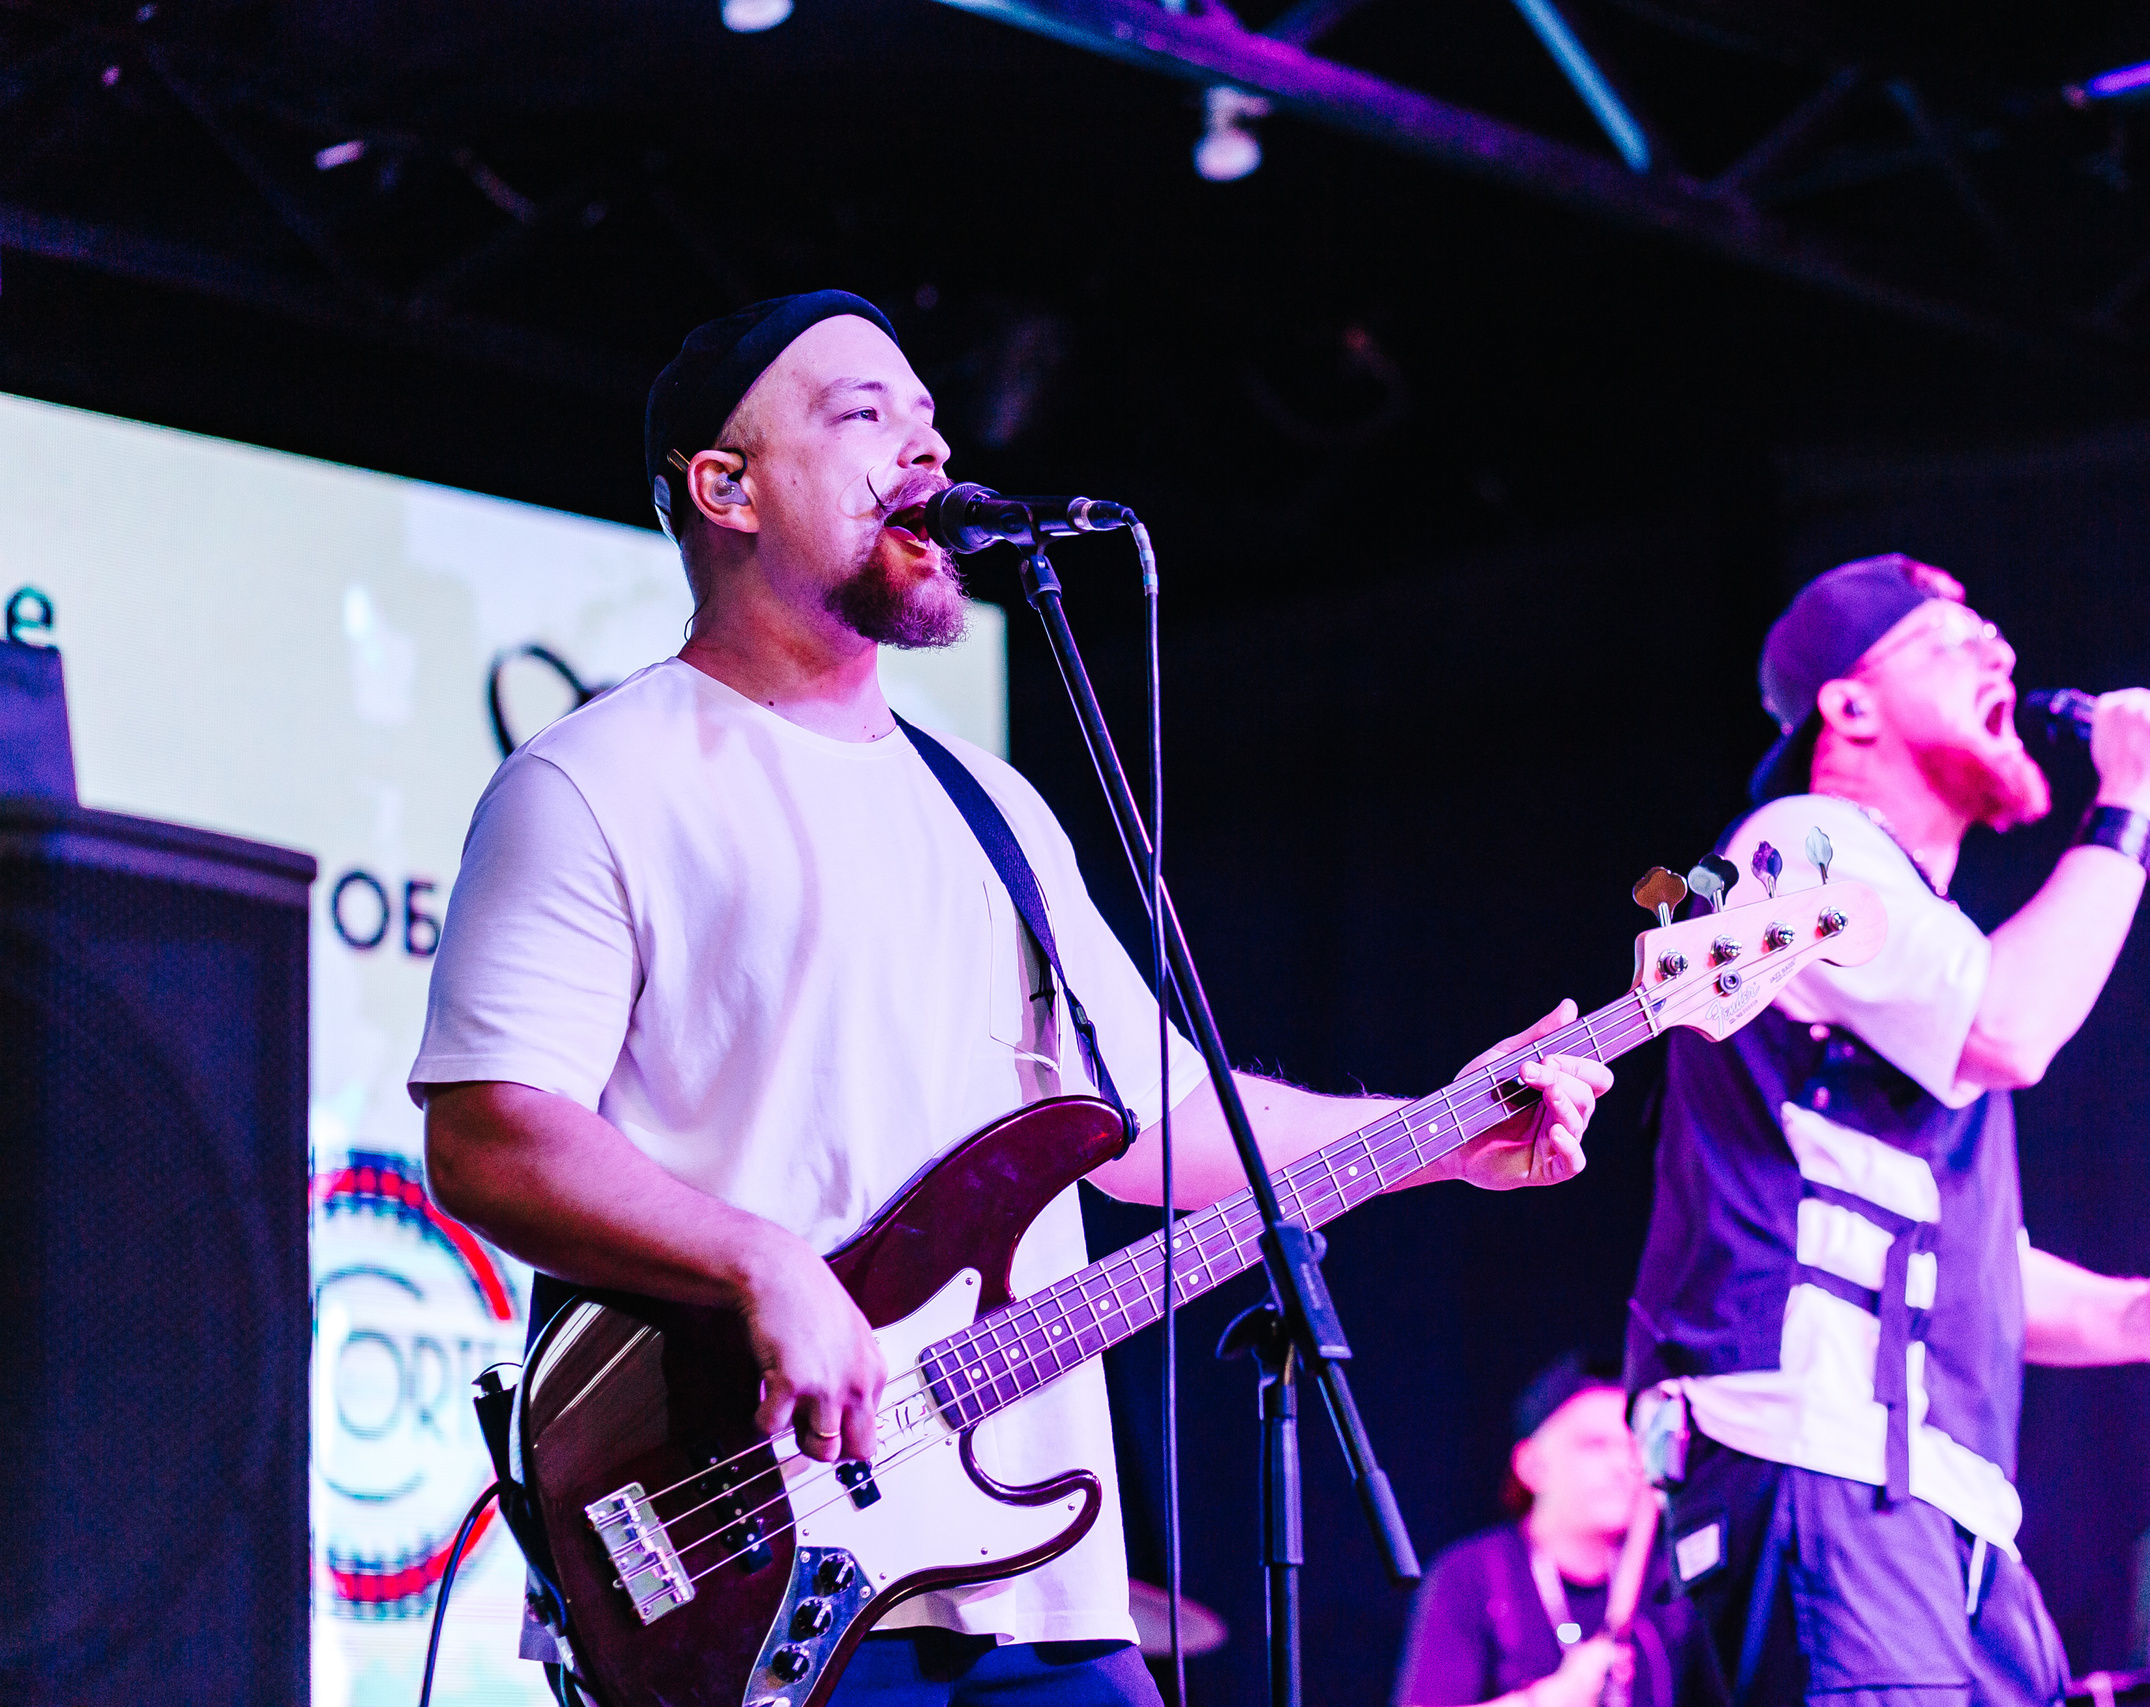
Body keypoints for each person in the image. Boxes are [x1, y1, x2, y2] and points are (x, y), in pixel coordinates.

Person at [408, 290, 1615, 1705]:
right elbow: (489, 1137)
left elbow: (1158, 1122)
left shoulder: (991, 807)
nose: (928, 450)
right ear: (727, 487)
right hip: (755, 1578)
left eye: (929, 418)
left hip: (1036, 1586)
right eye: (863, 415)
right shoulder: (594, 781)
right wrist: (762, 1262)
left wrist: (1442, 1131)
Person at [1623, 554, 2150, 1705]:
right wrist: (2127, 805)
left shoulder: (1916, 939)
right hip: (1821, 1470)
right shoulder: (1798, 847)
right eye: (1946, 637)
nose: (1999, 650)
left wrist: (2130, 1315)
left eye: (1991, 632)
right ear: (1848, 706)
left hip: (1929, 1507)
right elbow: (2010, 1027)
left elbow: (1920, 1245)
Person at [1397, 1355, 1698, 1707]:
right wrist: (1549, 1698)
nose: (1624, 1465)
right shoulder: (1471, 1575)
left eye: (1634, 1445)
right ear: (1531, 1465)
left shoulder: (1667, 1580)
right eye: (1595, 1445)